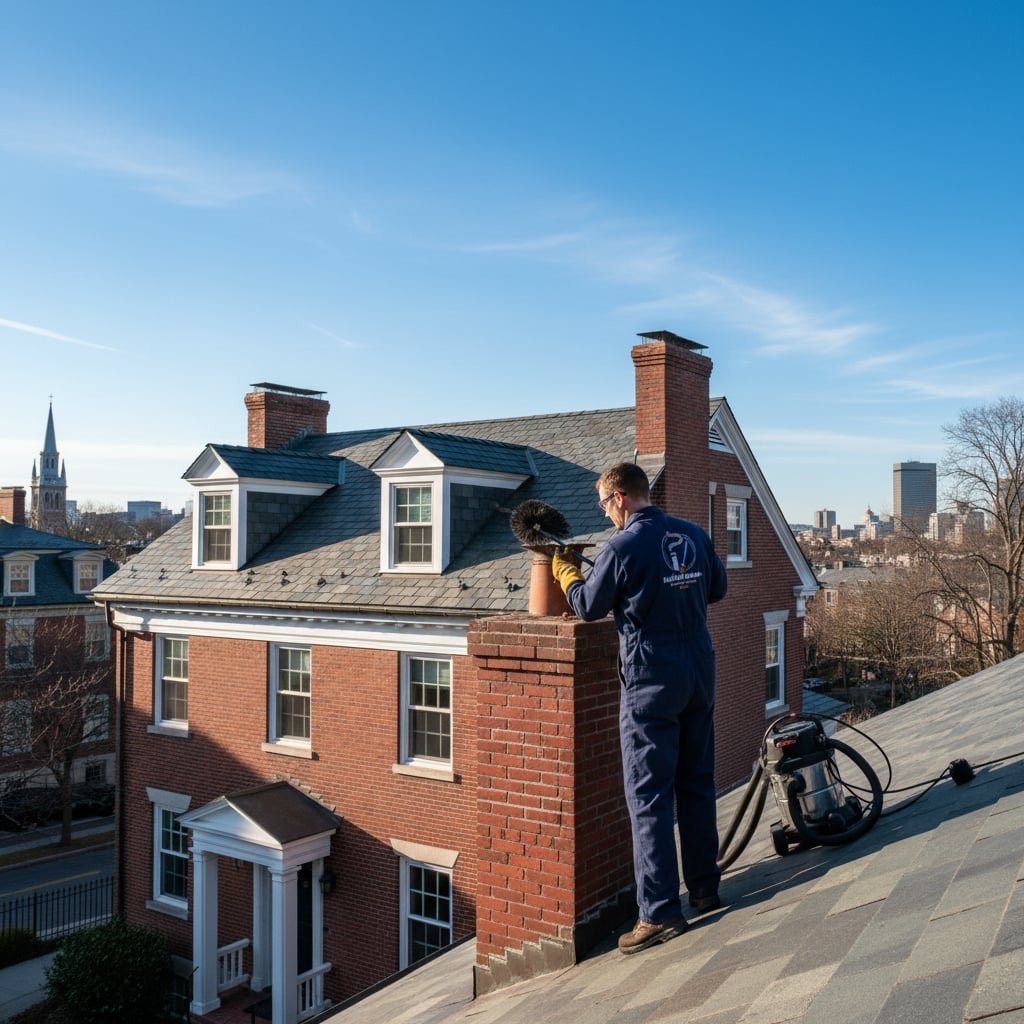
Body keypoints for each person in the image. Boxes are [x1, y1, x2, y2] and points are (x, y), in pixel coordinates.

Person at [552, 462, 727, 954]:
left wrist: (565, 572)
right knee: (696, 783)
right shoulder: (692, 533)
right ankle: (706, 888)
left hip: (652, 681)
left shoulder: (623, 545)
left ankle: (659, 912)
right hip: (698, 671)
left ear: (620, 498)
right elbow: (717, 589)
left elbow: (587, 605)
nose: (607, 514)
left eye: (605, 504)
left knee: (648, 796)